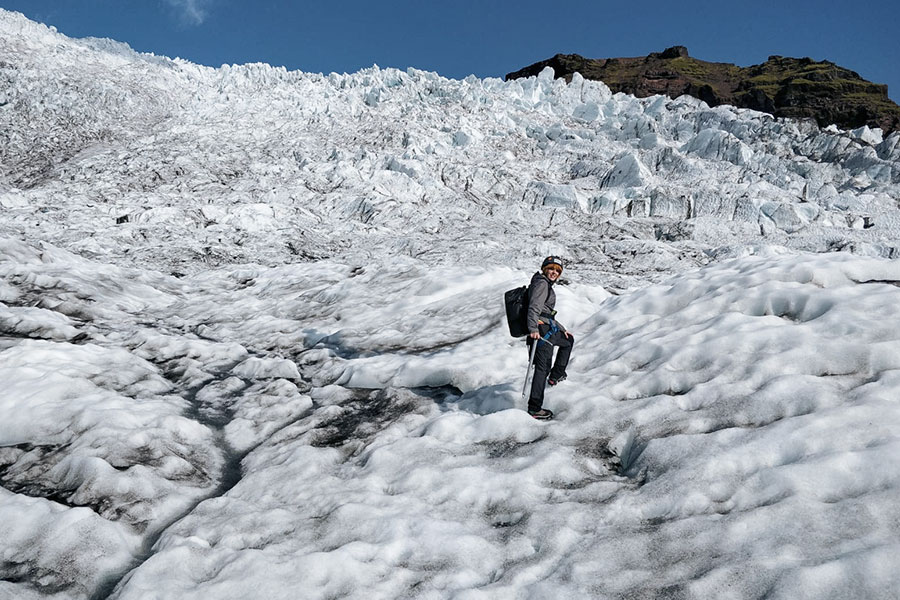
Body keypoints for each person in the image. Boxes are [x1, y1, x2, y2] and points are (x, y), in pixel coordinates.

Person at [525, 256, 574, 420]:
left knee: (567, 340)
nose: (554, 272)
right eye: (551, 269)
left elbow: (546, 313)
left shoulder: (543, 283)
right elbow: (534, 307)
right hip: (539, 330)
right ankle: (534, 408)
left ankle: (556, 375)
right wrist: (532, 328)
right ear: (545, 268)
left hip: (546, 327)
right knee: (542, 368)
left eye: (557, 271)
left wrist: (561, 328)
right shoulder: (542, 284)